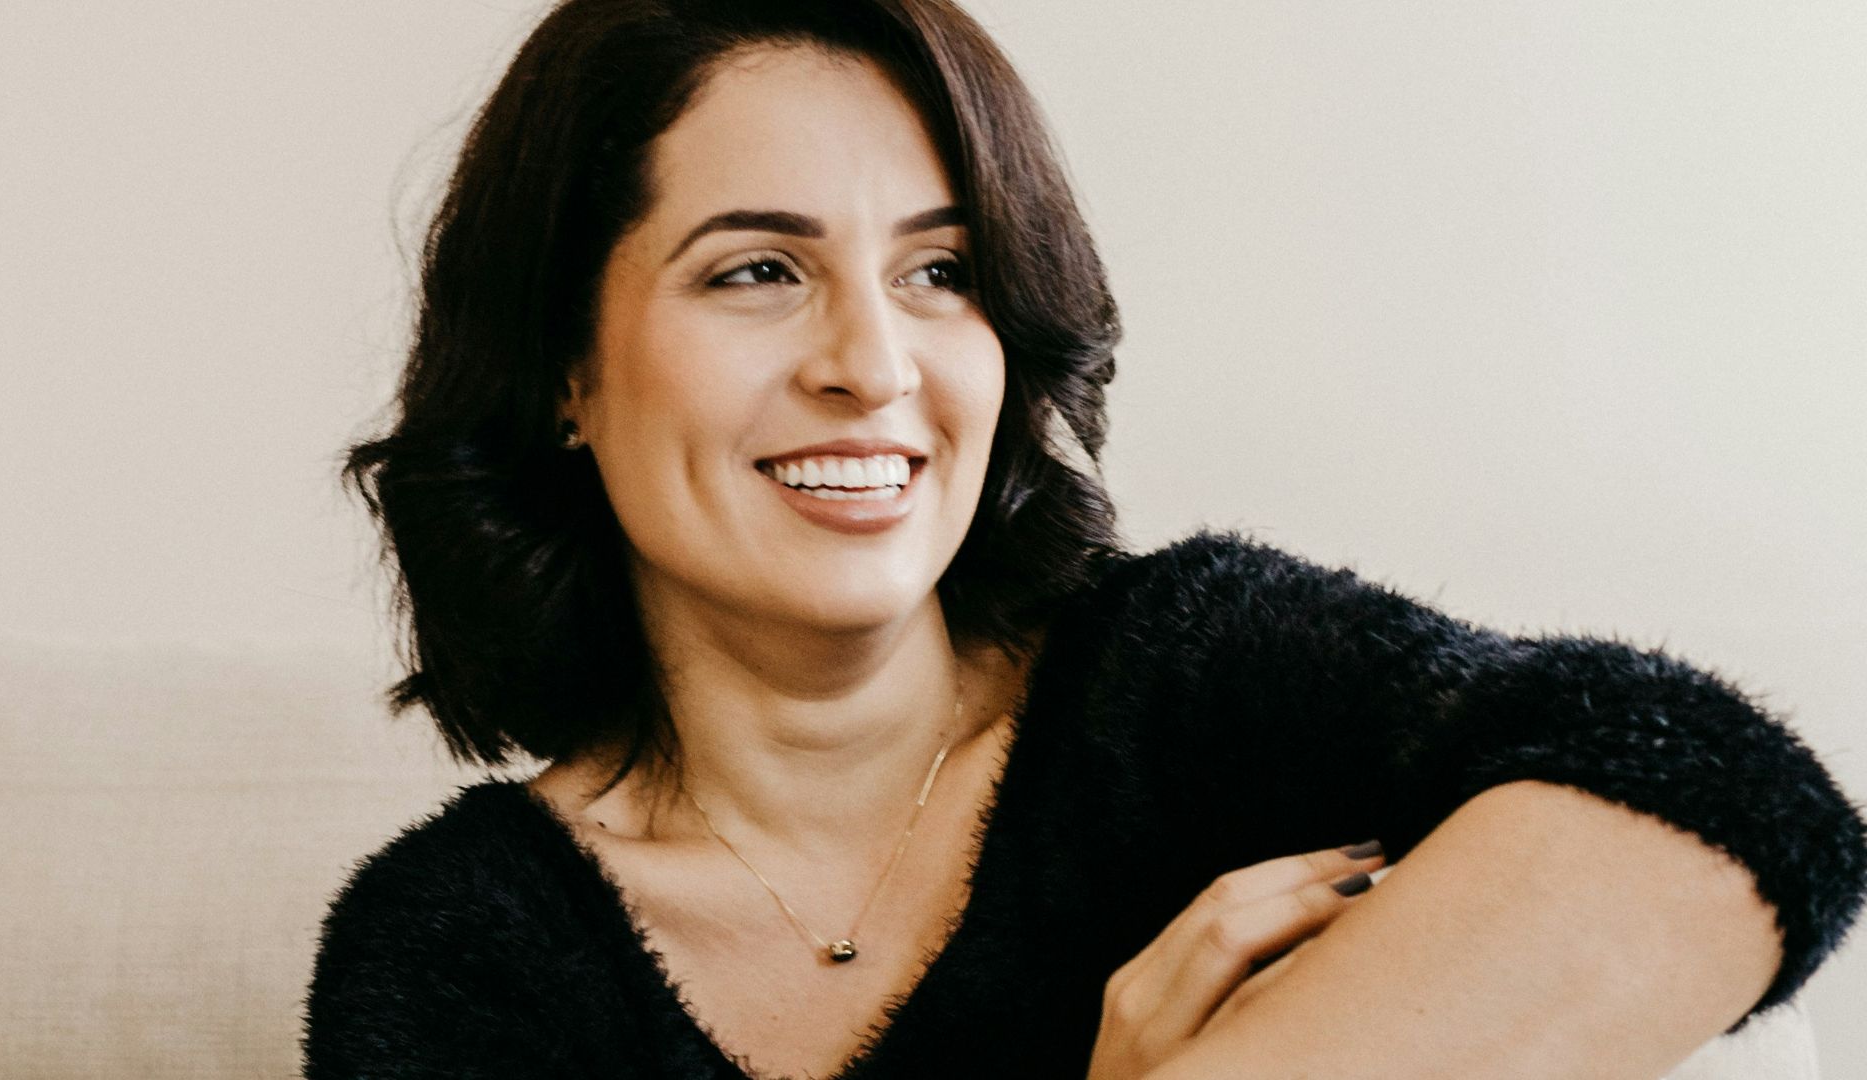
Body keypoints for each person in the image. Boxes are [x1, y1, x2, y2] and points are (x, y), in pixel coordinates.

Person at [301, 1, 1867, 1077]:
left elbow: (1726, 805)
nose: (874, 362)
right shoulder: (460, 958)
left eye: (942, 272)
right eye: (757, 271)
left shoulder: (1190, 680)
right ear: (565, 368)